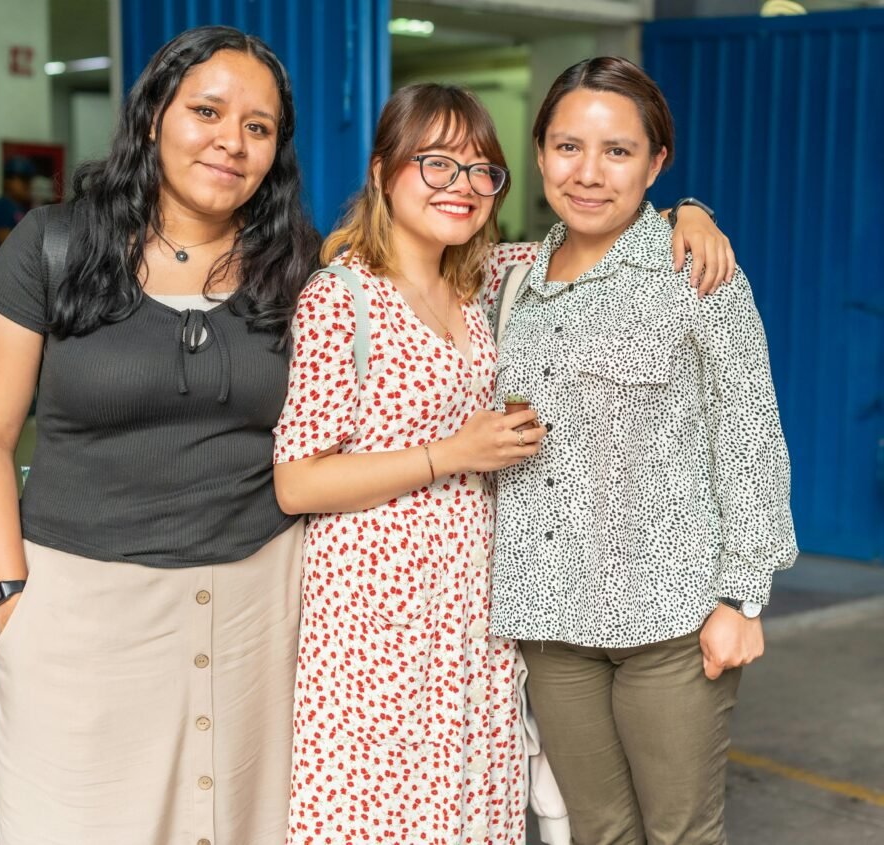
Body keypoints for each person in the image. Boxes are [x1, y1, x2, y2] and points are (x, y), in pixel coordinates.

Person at [272, 82, 731, 845]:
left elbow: (600, 236)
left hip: (475, 611)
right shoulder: (340, 298)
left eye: (482, 171)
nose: (463, 187)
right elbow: (296, 481)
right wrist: (451, 453)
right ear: (384, 171)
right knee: (382, 813)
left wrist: (689, 210)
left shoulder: (484, 280)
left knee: (467, 810)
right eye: (437, 164)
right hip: (375, 614)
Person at [0, 26, 320, 845]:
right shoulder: (52, 246)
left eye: (258, 128)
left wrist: (679, 215)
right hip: (81, 610)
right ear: (154, 113)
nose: (231, 141)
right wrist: (11, 600)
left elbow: (456, 265)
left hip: (258, 606)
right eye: (207, 111)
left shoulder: (297, 266)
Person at [487, 57, 798, 845]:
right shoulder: (511, 277)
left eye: (618, 151)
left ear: (656, 162)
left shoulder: (696, 273)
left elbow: (750, 432)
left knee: (680, 832)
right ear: (539, 151)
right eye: (567, 147)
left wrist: (744, 597)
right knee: (597, 829)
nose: (588, 173)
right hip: (552, 620)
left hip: (672, 619)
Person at [0, 156, 36, 251]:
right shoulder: (3, 207)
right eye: (24, 180)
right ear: (8, 181)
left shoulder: (20, 207)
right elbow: (6, 247)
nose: (28, 185)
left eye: (29, 180)